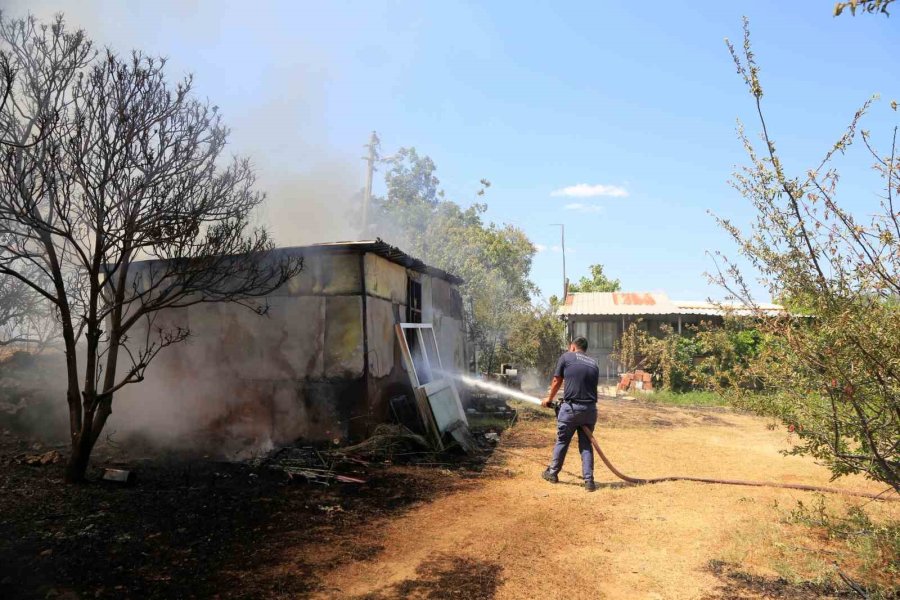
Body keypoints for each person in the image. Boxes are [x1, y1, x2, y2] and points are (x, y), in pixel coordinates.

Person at [541, 336, 600, 492]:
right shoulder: (594, 363)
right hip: (590, 410)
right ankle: (589, 482)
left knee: (562, 441)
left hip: (572, 409)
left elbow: (557, 380)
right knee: (586, 445)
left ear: (573, 347)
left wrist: (549, 399)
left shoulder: (567, 357)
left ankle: (552, 473)